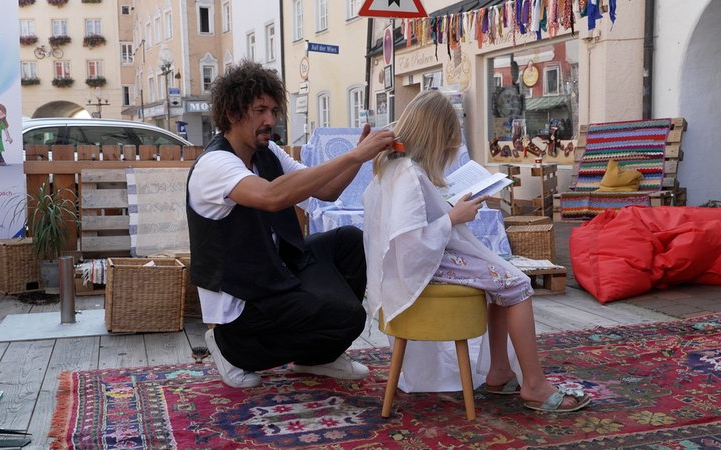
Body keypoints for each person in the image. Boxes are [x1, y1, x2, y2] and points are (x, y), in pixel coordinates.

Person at [362, 90, 591, 412]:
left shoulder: (396, 166)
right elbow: (411, 241)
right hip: (417, 266)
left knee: (505, 281)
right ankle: (534, 385)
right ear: (438, 137)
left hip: (408, 265)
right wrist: (453, 216)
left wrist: (449, 211)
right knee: (518, 285)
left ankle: (499, 373)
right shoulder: (409, 174)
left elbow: (406, 225)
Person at [186, 60, 395, 388]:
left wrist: (361, 156)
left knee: (350, 241)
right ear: (231, 113)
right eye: (259, 110)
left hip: (274, 270)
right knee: (349, 317)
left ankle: (319, 357)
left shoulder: (268, 153)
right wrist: (354, 157)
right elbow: (271, 196)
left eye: (272, 110)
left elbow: (327, 190)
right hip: (242, 300)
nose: (270, 120)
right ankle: (232, 350)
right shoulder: (215, 164)